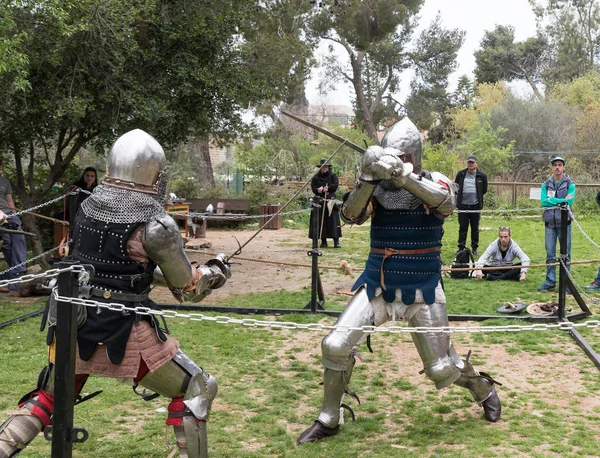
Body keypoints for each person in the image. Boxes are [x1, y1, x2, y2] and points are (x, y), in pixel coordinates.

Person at [0, 129, 231, 458]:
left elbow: (119, 267)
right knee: (199, 388)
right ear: (156, 174)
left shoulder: (89, 206)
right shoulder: (156, 225)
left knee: (48, 398)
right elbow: (187, 286)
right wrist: (215, 272)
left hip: (73, 324)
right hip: (123, 331)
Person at [297, 118, 501, 445]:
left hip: (422, 285)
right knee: (334, 345)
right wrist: (367, 176)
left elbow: (446, 203)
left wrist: (405, 177)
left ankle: (481, 387)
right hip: (379, 282)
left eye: (400, 157)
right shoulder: (376, 188)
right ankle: (329, 419)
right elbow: (350, 215)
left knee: (440, 369)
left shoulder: (434, 181)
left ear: (412, 159)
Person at [538, 156, 575, 292]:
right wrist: (560, 201)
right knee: (550, 254)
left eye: (560, 165)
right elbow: (543, 202)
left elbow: (569, 202)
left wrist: (552, 200)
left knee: (566, 254)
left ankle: (566, 284)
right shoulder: (546, 184)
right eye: (555, 165)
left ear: (564, 167)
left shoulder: (570, 184)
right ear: (552, 167)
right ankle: (550, 282)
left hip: (565, 224)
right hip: (549, 224)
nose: (557, 167)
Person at [0, 161, 27, 293]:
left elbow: (9, 201)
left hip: (9, 213)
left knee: (19, 235)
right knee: (7, 242)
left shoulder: (5, 182)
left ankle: (17, 271)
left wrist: (15, 214)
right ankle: (16, 274)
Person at [455, 155, 487, 257]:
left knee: (475, 228)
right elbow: (456, 187)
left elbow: (484, 190)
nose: (470, 164)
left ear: (476, 164)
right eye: (469, 162)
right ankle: (461, 248)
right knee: (463, 228)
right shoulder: (461, 174)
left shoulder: (482, 175)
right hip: (463, 206)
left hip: (475, 206)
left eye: (472, 162)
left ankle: (474, 248)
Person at [309, 159, 342, 248]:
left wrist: (327, 188)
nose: (324, 168)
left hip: (330, 201)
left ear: (328, 167)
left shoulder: (333, 176)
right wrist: (318, 190)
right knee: (321, 222)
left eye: (326, 167)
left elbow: (335, 185)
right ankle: (323, 241)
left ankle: (336, 241)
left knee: (333, 221)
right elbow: (313, 188)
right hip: (319, 201)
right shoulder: (316, 177)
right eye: (323, 167)